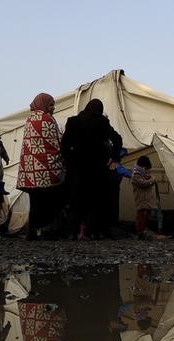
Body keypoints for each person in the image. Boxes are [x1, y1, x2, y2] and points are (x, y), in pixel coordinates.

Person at [61, 98, 123, 240]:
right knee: (94, 201)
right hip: (96, 168)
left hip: (76, 167)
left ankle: (72, 232)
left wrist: (68, 160)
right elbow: (117, 139)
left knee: (75, 199)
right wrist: (114, 159)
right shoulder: (102, 122)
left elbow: (64, 144)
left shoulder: (73, 121)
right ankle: (90, 231)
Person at [16, 93, 66, 240]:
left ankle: (33, 231)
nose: (53, 108)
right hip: (45, 170)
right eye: (51, 104)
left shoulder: (29, 120)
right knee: (47, 203)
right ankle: (45, 231)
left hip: (30, 172)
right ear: (44, 104)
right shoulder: (47, 118)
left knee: (35, 202)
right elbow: (55, 142)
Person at [131, 155, 157, 240]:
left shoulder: (141, 174)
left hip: (145, 199)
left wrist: (148, 178)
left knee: (145, 215)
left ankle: (143, 231)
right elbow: (143, 184)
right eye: (146, 168)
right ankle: (140, 232)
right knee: (141, 215)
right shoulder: (136, 175)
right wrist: (152, 179)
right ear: (142, 166)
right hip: (142, 199)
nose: (147, 170)